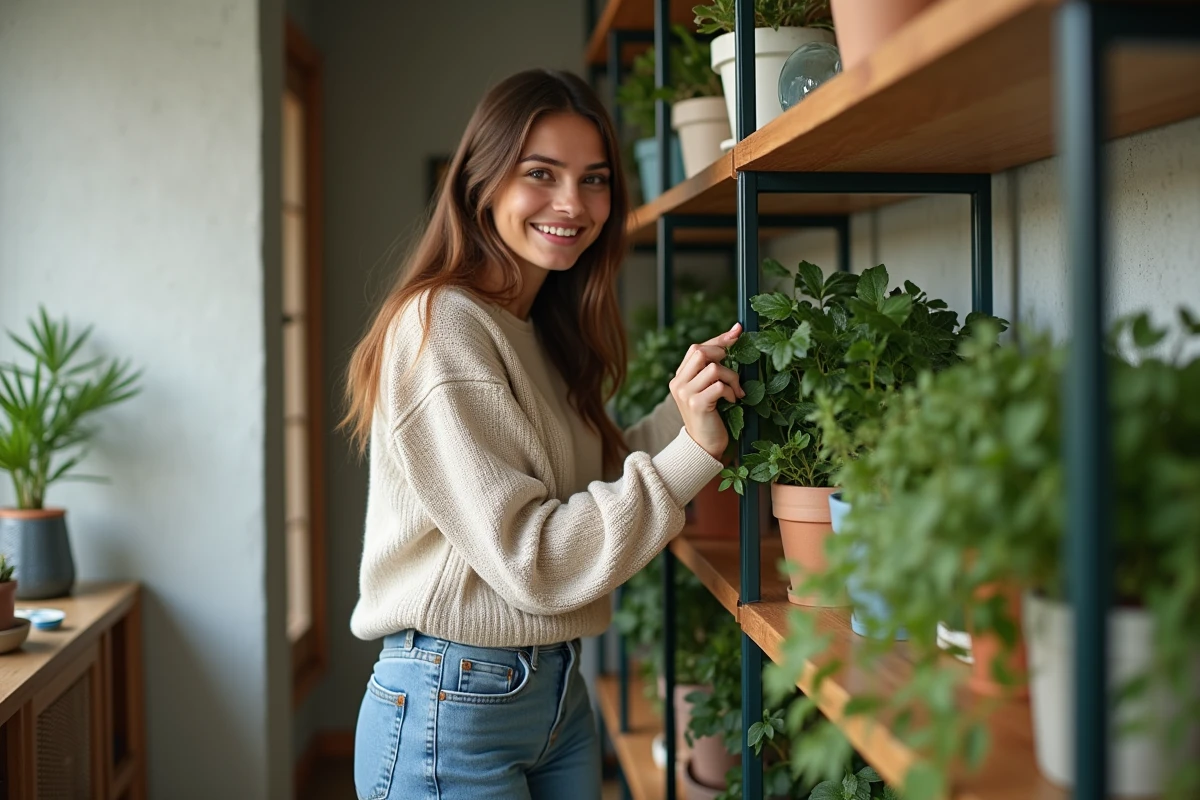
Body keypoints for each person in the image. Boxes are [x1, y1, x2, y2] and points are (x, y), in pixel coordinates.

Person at [341, 68, 744, 800]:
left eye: (594, 180)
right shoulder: (444, 327)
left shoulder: (533, 327)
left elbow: (593, 478)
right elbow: (536, 559)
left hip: (550, 690)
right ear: (480, 184)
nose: (573, 203)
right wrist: (691, 454)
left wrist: (695, 409)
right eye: (541, 174)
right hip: (453, 699)